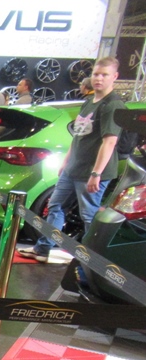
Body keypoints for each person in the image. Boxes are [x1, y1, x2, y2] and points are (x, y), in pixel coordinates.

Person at [19, 57, 124, 263]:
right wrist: (66, 161)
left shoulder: (112, 105)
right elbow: (78, 137)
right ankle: (43, 248)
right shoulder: (89, 102)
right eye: (96, 74)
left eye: (104, 75)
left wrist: (96, 173)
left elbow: (109, 142)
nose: (99, 79)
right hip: (73, 168)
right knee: (55, 206)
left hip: (92, 172)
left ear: (115, 77)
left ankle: (92, 260)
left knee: (89, 215)